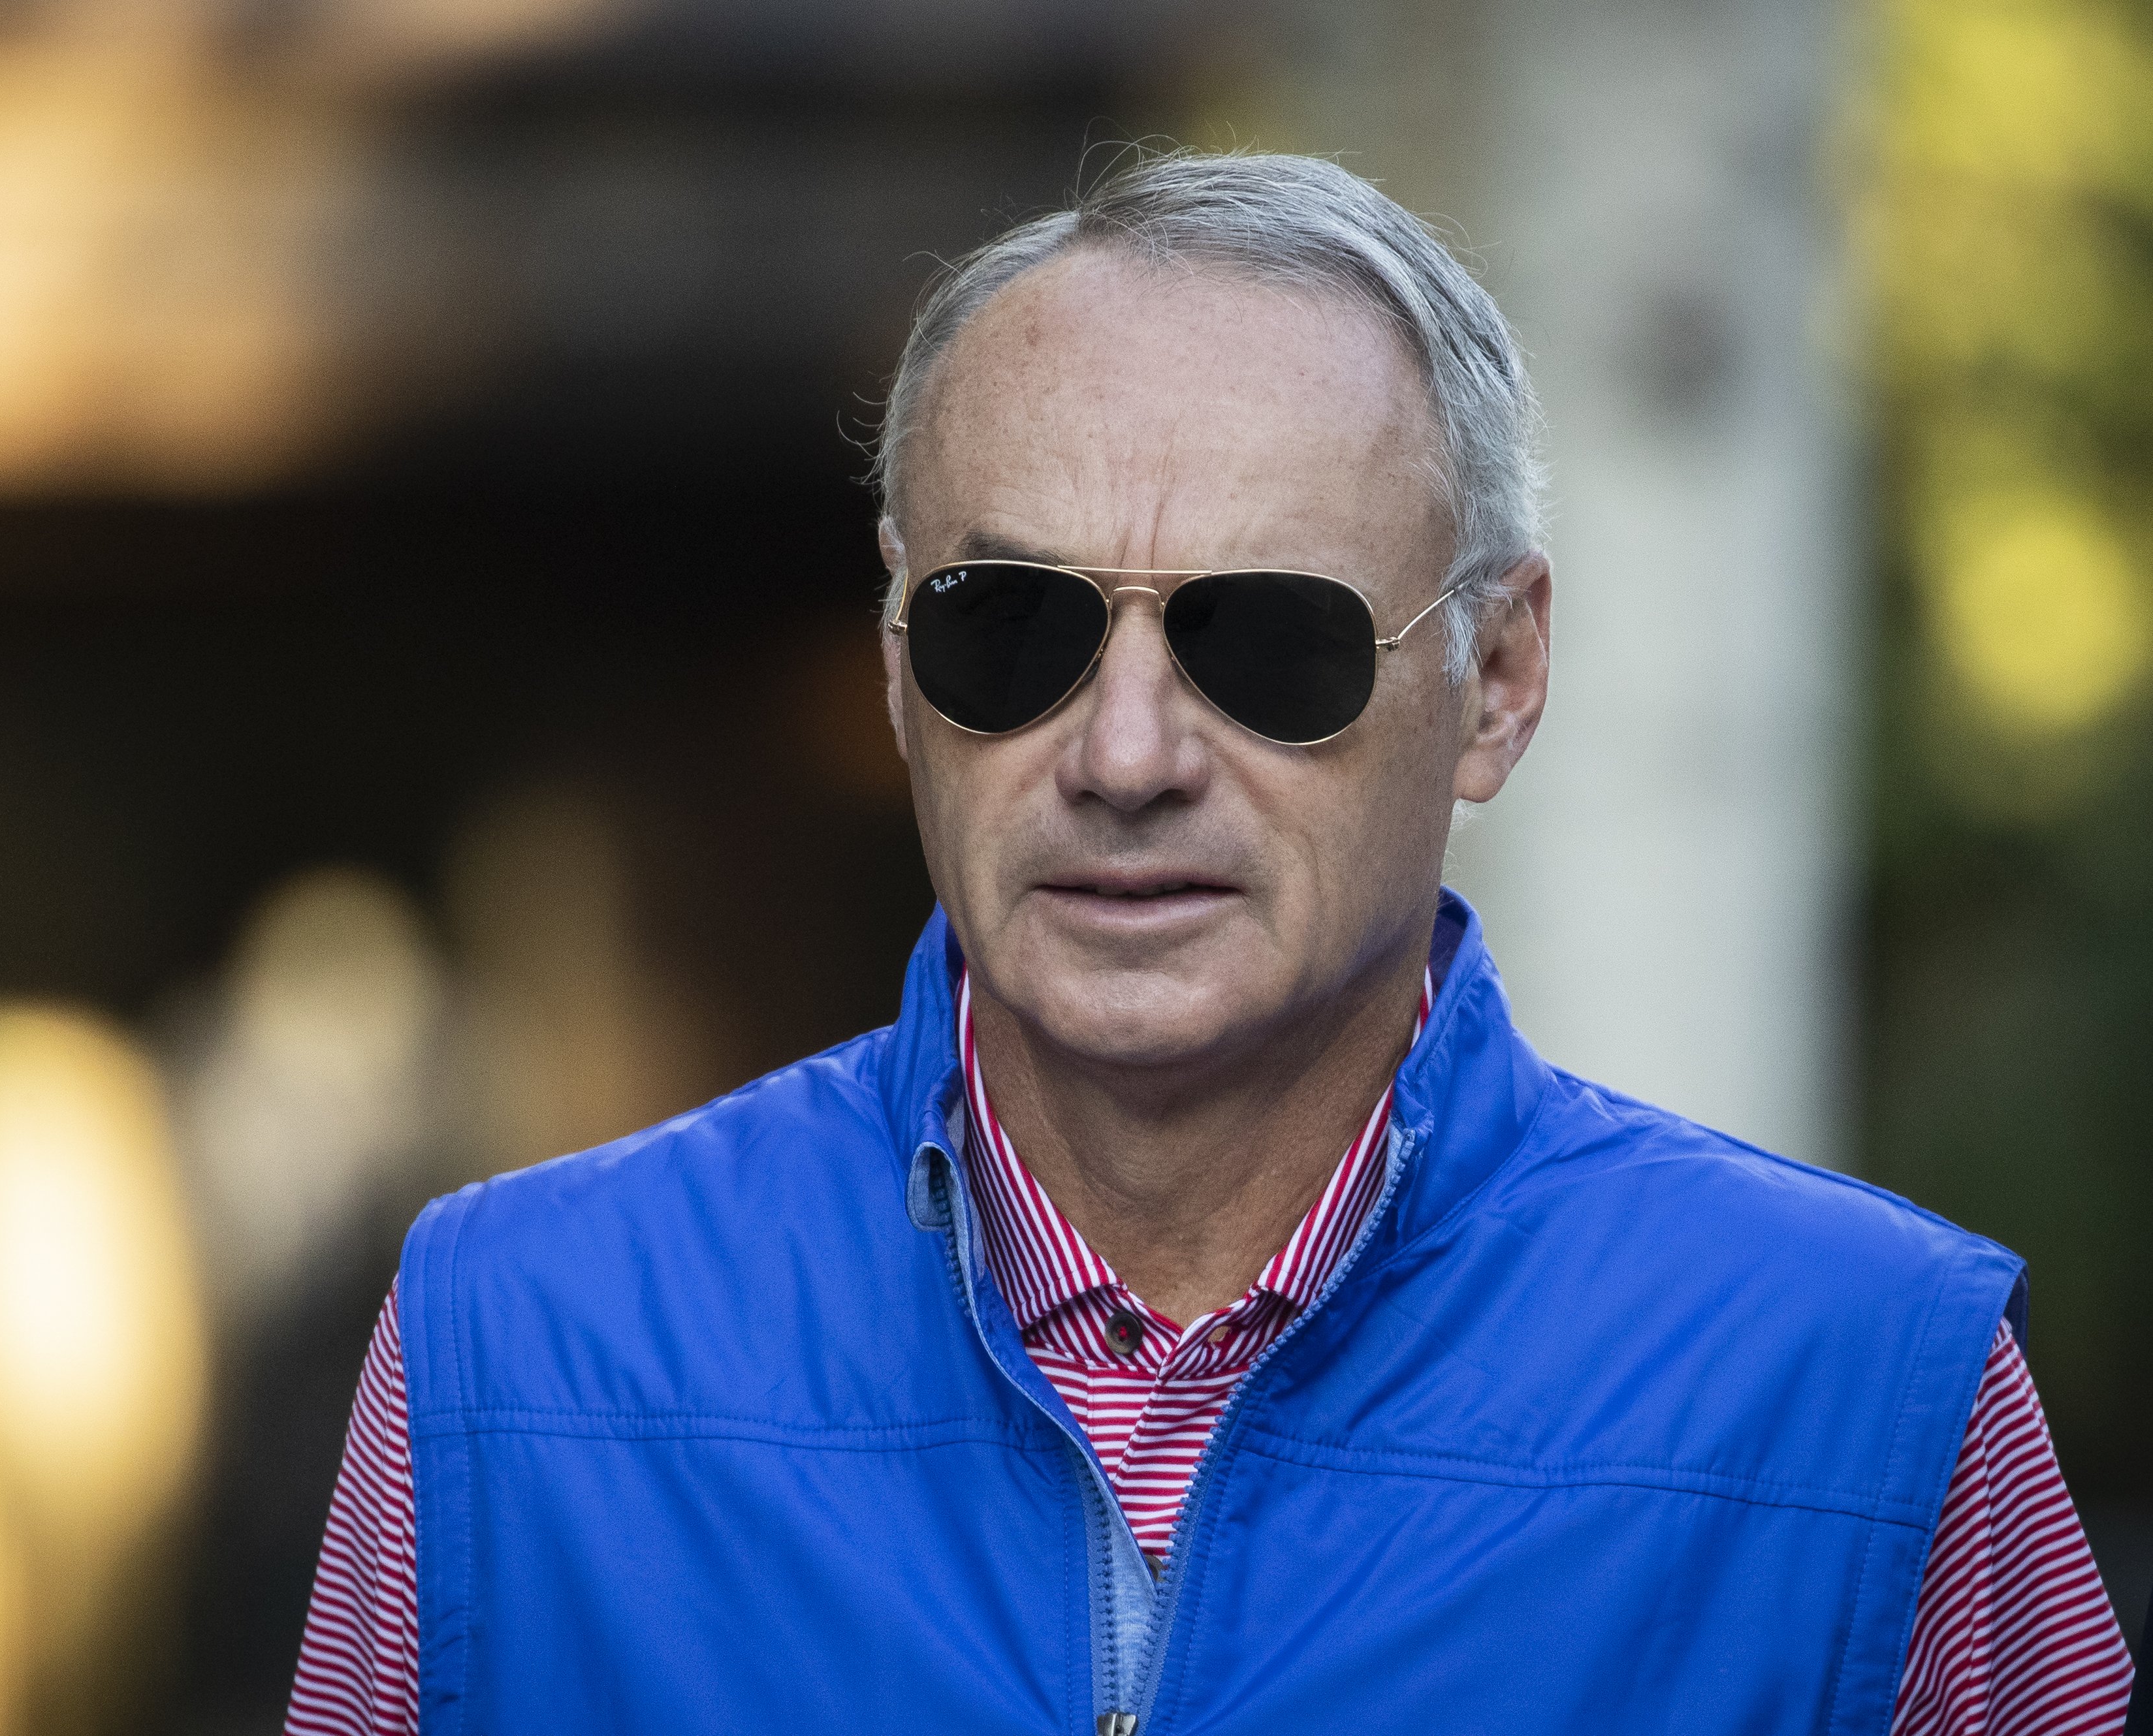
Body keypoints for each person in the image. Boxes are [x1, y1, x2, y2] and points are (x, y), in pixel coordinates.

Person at [285, 151, 2133, 1733]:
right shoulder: (510, 1358)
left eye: (1271, 643)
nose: (1127, 752)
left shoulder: (1858, 1390)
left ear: (1496, 679)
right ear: (891, 663)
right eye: (1010, 630)